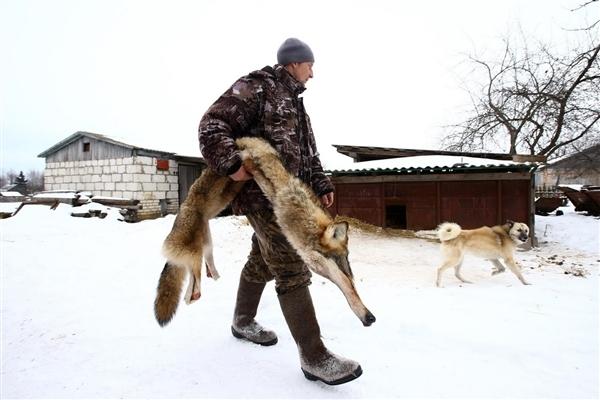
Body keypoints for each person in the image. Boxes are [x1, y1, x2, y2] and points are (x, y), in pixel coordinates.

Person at [198, 38, 362, 385]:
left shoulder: (296, 106)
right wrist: (231, 164)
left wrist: (322, 184)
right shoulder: (257, 87)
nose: (312, 74)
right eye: (309, 66)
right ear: (293, 63)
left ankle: (242, 320)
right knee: (290, 265)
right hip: (262, 197)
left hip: (295, 200)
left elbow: (308, 155)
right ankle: (315, 357)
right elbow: (212, 125)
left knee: (262, 260)